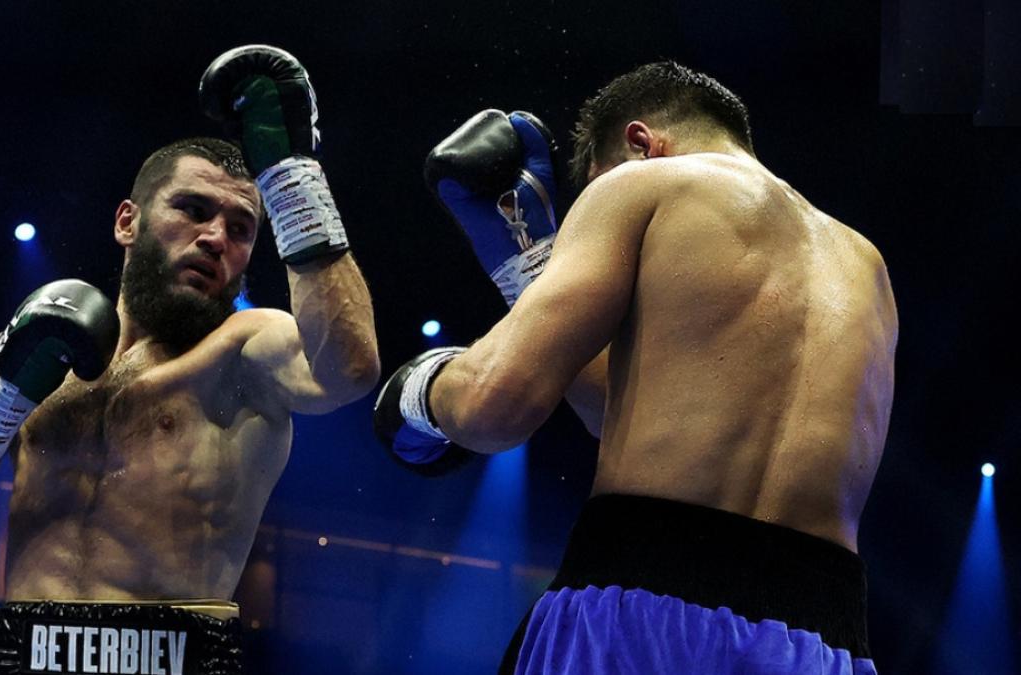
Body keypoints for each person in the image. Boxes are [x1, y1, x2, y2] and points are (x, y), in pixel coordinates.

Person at [375, 61, 896, 674]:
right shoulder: (867, 265)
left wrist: (419, 393)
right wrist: (533, 267)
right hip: (821, 642)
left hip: (641, 604)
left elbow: (495, 406)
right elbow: (614, 411)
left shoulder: (644, 184)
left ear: (641, 143)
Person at [0, 45, 379, 674]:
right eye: (194, 210)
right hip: (25, 654)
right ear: (129, 221)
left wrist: (291, 176)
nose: (215, 238)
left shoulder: (248, 351)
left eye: (241, 228)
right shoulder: (46, 350)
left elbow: (350, 368)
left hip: (174, 658)